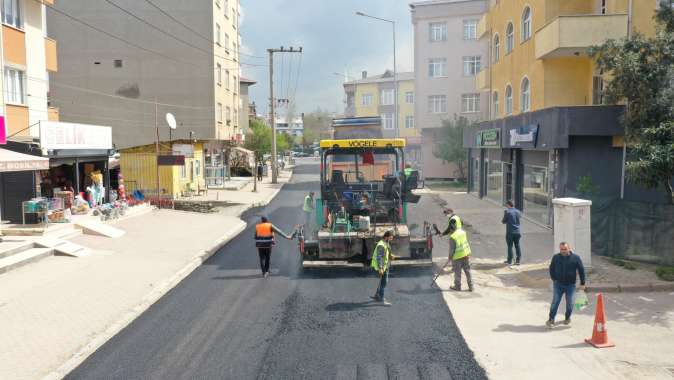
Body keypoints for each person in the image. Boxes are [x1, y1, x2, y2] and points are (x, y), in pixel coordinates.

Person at [546, 242, 586, 328]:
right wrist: (554, 279)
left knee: (570, 303)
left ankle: (567, 317)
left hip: (570, 286)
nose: (563, 251)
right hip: (558, 285)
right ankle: (551, 319)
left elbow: (581, 270)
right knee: (555, 302)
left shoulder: (576, 258)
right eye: (561, 249)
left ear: (569, 248)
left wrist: (582, 283)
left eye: (565, 249)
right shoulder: (556, 257)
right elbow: (551, 268)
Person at [370, 230, 397, 305]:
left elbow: (386, 252)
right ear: (387, 237)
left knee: (381, 281)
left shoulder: (386, 242)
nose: (392, 239)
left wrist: (390, 256)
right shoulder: (381, 245)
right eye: (391, 237)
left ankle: (377, 296)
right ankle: (381, 299)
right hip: (382, 266)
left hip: (385, 265)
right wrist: (381, 268)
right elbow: (379, 257)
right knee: (384, 282)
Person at [448, 222, 473, 291]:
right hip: (466, 254)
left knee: (457, 272)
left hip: (457, 257)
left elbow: (452, 250)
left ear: (451, 230)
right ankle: (471, 286)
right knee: (467, 271)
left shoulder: (452, 237)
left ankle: (457, 286)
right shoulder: (462, 232)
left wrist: (449, 257)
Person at [501, 200, 522, 265]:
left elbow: (503, 221)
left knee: (510, 246)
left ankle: (509, 261)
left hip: (510, 232)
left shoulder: (507, 212)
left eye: (506, 205)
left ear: (508, 205)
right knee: (517, 245)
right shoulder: (518, 211)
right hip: (518, 232)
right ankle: (518, 260)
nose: (506, 206)